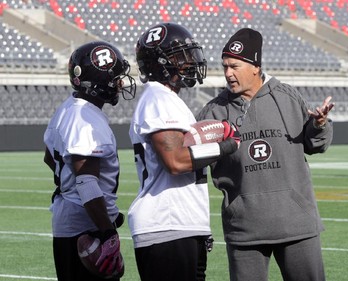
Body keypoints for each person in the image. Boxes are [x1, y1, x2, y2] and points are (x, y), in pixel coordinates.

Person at [196, 28, 335, 281]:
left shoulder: (287, 96)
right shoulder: (213, 113)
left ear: (255, 66)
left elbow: (316, 145)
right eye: (225, 66)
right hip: (244, 229)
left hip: (297, 224)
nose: (228, 73)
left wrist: (319, 125)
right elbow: (195, 165)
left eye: (234, 66)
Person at [128, 22, 240, 281]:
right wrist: (225, 146)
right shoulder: (159, 99)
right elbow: (175, 161)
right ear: (160, 62)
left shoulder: (168, 98)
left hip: (179, 225)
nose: (190, 62)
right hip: (166, 225)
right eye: (181, 56)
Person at [43, 41, 136, 281]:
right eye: (115, 78)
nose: (120, 83)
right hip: (85, 229)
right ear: (98, 83)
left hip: (70, 222)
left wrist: (66, 184)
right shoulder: (86, 119)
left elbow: (49, 157)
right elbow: (86, 183)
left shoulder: (68, 108)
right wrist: (106, 231)